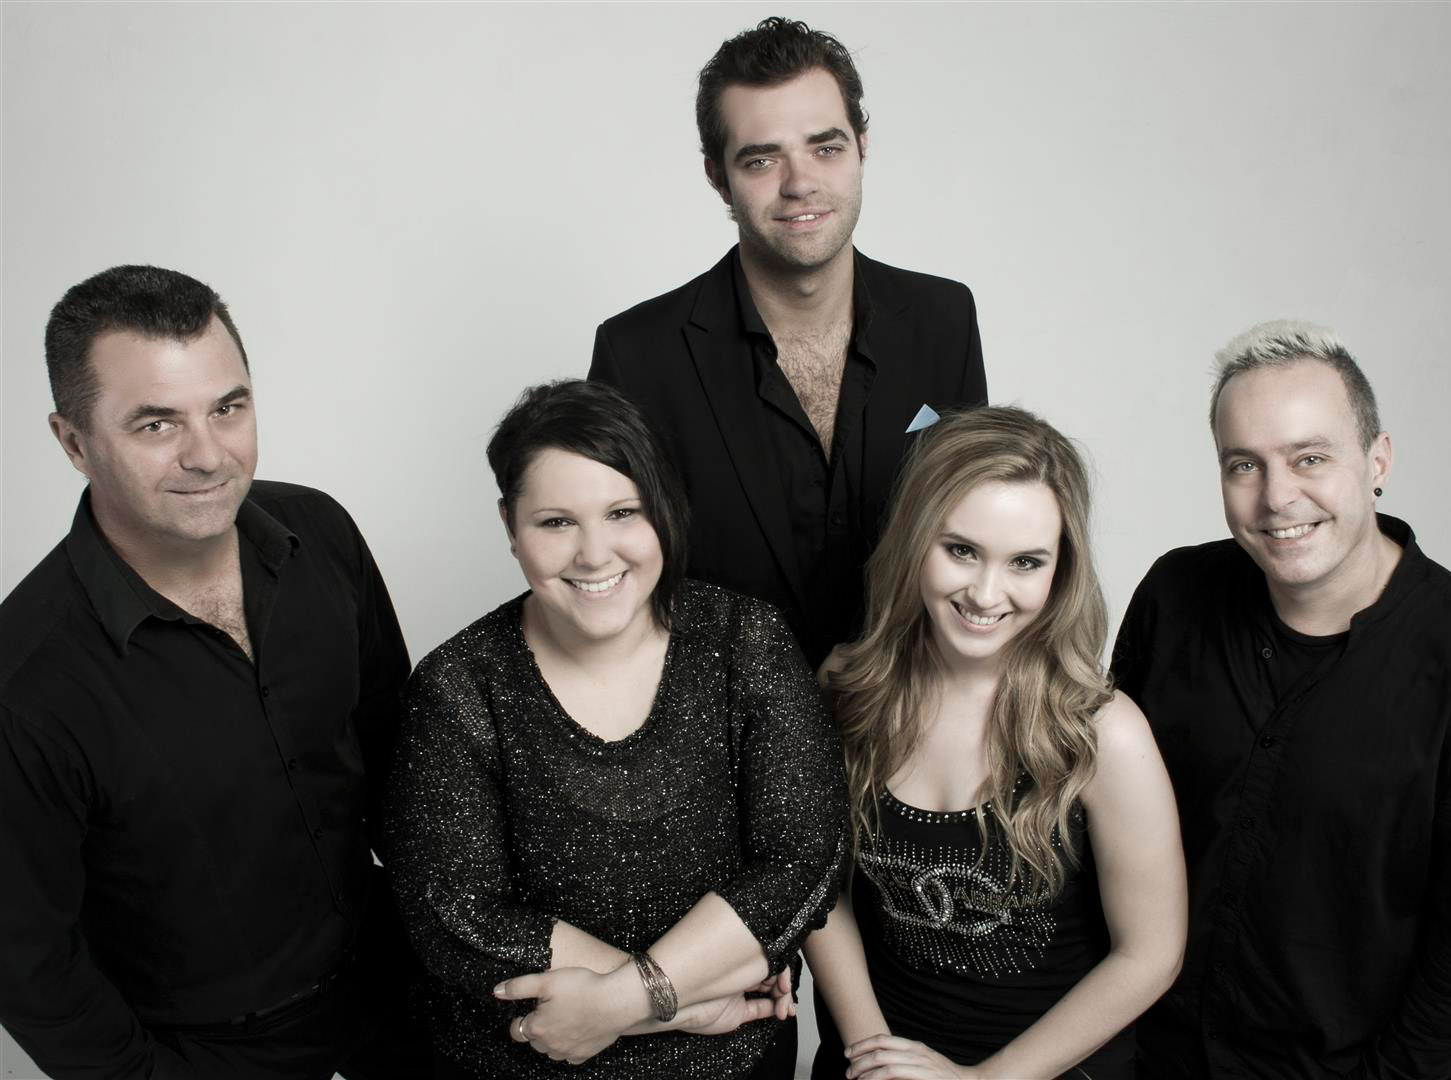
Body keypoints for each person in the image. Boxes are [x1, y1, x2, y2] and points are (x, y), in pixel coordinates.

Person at [0, 265, 429, 1078]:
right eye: (156, 424)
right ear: (73, 442)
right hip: (211, 1049)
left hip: (391, 973)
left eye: (228, 408)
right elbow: (28, 964)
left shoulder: (321, 531)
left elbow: (393, 753)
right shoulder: (25, 685)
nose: (208, 456)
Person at [383, 379, 850, 1079]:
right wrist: (685, 1004)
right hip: (530, 1060)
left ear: (663, 508)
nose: (594, 554)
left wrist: (623, 1001)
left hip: (734, 1059)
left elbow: (803, 859)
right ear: (510, 526)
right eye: (556, 522)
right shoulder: (457, 687)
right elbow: (458, 913)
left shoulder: (744, 641)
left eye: (622, 512)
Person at [1111, 321, 1451, 1078]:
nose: (1277, 496)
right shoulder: (1175, 594)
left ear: (1377, 460)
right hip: (1144, 1059)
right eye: (1243, 465)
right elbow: (1094, 820)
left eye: (1309, 458)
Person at [590, 16, 988, 668]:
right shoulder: (635, 355)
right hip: (722, 718)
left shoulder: (944, 318)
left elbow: (975, 530)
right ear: (717, 176)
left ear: (862, 148)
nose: (800, 183)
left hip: (912, 706)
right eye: (761, 159)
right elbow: (618, 582)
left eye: (825, 148)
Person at [804, 406, 1186, 1080]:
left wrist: (983, 1079)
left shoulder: (1103, 732)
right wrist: (871, 1054)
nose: (985, 593)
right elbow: (816, 884)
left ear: (1060, 571)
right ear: (914, 539)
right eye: (961, 551)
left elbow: (1151, 954)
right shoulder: (846, 690)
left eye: (1025, 562)